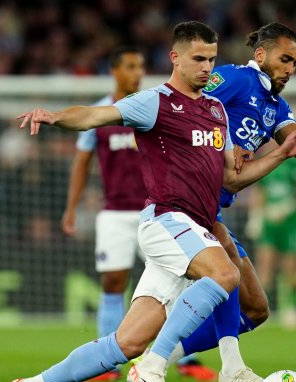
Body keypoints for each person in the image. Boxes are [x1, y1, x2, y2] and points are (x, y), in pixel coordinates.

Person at [14, 21, 296, 382]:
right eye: (199, 59)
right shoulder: (156, 101)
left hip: (194, 228)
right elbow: (97, 116)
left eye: (211, 59)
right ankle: (155, 367)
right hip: (167, 219)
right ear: (175, 58)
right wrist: (56, 116)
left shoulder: (216, 112)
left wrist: (282, 153)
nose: (207, 67)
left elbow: (233, 179)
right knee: (225, 273)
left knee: (125, 343)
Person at [168, 22, 296, 365]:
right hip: (184, 206)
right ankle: (216, 367)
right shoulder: (234, 79)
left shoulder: (277, 108)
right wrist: (222, 145)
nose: (290, 69)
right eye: (285, 59)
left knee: (257, 309)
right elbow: (181, 108)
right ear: (260, 54)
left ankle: (162, 358)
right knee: (203, 287)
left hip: (212, 210)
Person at [61, 46, 216, 381]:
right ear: (114, 71)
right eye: (130, 66)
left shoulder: (156, 105)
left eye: (141, 65)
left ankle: (185, 359)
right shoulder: (104, 112)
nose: (137, 72)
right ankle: (109, 366)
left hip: (163, 213)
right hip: (115, 212)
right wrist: (71, 207)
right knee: (113, 281)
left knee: (185, 283)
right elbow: (82, 162)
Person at [247, 155, 296, 329]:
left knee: (291, 268)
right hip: (269, 221)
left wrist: (288, 206)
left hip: (291, 221)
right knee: (265, 265)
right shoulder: (264, 160)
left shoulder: (294, 163)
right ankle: (263, 311)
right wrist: (256, 217)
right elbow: (260, 191)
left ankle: (292, 308)